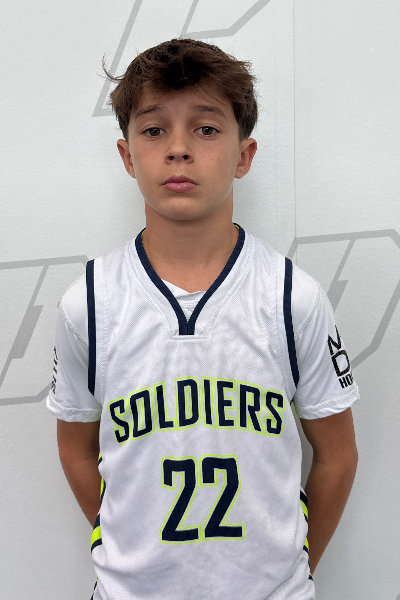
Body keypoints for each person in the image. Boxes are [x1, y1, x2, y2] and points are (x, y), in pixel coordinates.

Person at [46, 38, 359, 600]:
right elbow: (75, 448)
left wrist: (293, 570)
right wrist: (121, 548)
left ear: (244, 155)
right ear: (127, 156)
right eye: (153, 129)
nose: (179, 149)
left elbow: (337, 455)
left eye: (207, 128)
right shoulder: (88, 303)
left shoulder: (293, 298)